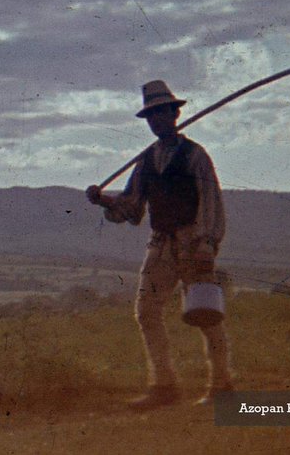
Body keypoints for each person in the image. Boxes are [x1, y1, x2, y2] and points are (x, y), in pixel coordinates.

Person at [86, 80, 232, 409]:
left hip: (194, 242)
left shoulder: (196, 156)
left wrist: (207, 244)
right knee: (146, 311)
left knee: (206, 313)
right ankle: (164, 385)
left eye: (161, 113)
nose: (156, 120)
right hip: (162, 244)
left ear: (175, 113)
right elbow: (133, 208)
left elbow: (211, 201)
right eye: (151, 116)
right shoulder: (146, 161)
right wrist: (104, 202)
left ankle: (222, 384)